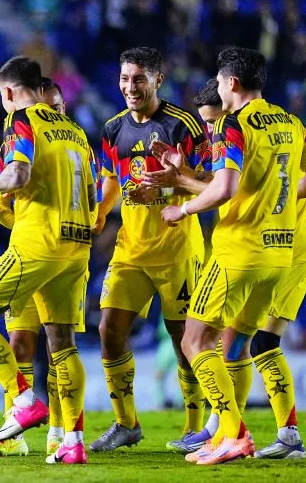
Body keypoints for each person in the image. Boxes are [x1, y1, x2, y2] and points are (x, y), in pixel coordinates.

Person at [161, 47, 306, 465]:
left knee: (194, 339)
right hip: (278, 255)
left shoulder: (233, 124)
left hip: (239, 251)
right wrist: (278, 197)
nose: (219, 89)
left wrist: (180, 208)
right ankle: (227, 433)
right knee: (236, 342)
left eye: (220, 83)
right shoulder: (291, 123)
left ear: (232, 83)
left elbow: (224, 189)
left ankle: (234, 432)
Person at [0, 56, 97, 465]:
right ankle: (72, 443)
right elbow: (90, 199)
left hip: (36, 246)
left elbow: (16, 176)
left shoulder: (22, 121)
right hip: (77, 249)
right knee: (63, 344)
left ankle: (22, 399)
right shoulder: (75, 132)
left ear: (8, 92)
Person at [89, 47, 210, 453]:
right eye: (124, 79)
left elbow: (213, 180)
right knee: (109, 329)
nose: (130, 87)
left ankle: (195, 428)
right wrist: (100, 213)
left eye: (138, 79)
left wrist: (174, 179)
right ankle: (126, 423)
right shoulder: (112, 129)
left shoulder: (184, 125)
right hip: (131, 249)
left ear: (158, 80)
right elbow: (109, 180)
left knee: (182, 339)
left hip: (177, 249)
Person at [0, 78, 84, 458]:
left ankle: (60, 433)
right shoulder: (18, 143)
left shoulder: (70, 140)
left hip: (51, 250)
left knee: (59, 345)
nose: (50, 113)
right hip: (30, 246)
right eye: (46, 106)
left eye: (57, 108)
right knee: (21, 343)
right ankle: (14, 434)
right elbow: (0, 203)